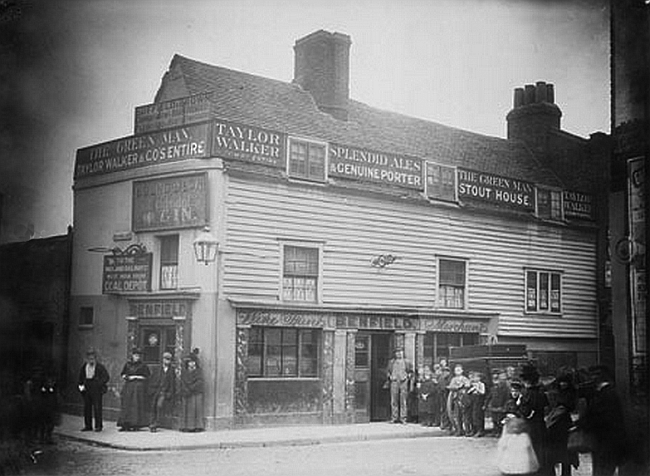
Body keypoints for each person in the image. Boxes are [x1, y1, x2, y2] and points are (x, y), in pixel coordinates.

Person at [574, 365, 627, 476]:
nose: (590, 379)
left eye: (593, 376)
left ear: (600, 377)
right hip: (606, 439)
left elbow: (600, 416)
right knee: (601, 469)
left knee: (603, 469)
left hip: (607, 440)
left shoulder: (607, 394)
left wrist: (582, 424)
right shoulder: (606, 392)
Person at [519, 363, 550, 476]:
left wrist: (519, 405)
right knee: (541, 453)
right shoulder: (541, 393)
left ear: (526, 381)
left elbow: (527, 413)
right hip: (540, 426)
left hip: (531, 427)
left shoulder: (528, 394)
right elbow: (546, 409)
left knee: (532, 452)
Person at [546, 370, 579, 476]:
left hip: (563, 426)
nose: (563, 384)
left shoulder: (571, 393)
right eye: (561, 382)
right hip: (555, 427)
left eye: (565, 382)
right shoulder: (555, 392)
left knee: (566, 456)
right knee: (555, 454)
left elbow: (571, 407)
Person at [78, 348, 110, 432]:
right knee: (87, 408)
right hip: (87, 388)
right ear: (87, 358)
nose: (91, 360)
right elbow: (80, 378)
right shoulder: (84, 366)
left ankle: (98, 426)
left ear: (95, 358)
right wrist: (81, 388)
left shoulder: (100, 367)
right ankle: (88, 426)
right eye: (89, 358)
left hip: (96, 389)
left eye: (93, 358)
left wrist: (99, 383)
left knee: (97, 407)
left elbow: (106, 377)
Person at [118, 348, 150, 431]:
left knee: (136, 405)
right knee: (126, 405)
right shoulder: (128, 364)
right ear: (132, 356)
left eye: (138, 356)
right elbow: (122, 374)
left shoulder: (143, 365)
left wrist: (136, 377)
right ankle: (125, 424)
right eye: (136, 356)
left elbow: (147, 376)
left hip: (138, 387)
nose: (137, 357)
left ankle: (136, 424)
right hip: (128, 386)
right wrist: (126, 377)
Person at [149, 351, 176, 432]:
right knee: (153, 407)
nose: (167, 361)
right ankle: (151, 423)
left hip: (164, 392)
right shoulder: (157, 368)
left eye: (169, 360)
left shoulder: (171, 370)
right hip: (156, 391)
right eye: (166, 359)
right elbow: (153, 379)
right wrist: (152, 389)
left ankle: (155, 424)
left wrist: (170, 393)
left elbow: (172, 383)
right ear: (163, 359)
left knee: (159, 406)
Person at [179, 349, 204, 432]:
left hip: (195, 393)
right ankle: (185, 426)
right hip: (186, 393)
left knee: (195, 410)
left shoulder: (198, 371)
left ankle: (197, 426)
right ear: (187, 363)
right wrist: (186, 389)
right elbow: (182, 381)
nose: (192, 364)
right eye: (190, 362)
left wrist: (191, 388)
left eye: (193, 362)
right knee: (186, 410)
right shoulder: (184, 371)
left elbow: (199, 381)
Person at [387, 348, 412, 423]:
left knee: (403, 400)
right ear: (395, 354)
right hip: (394, 382)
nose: (399, 354)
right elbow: (388, 371)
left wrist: (407, 376)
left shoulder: (407, 362)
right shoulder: (391, 362)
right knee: (394, 400)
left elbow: (411, 371)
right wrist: (390, 376)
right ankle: (394, 418)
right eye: (397, 353)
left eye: (400, 352)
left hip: (403, 382)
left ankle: (403, 418)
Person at [447, 364, 471, 436]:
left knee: (465, 416)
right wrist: (456, 386)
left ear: (462, 371)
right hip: (456, 399)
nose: (458, 371)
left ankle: (467, 430)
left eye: (459, 370)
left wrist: (463, 385)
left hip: (464, 398)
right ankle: (459, 430)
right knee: (458, 415)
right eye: (456, 370)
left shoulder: (465, 379)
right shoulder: (453, 379)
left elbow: (468, 385)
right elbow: (450, 386)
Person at [487, 369, 511, 437]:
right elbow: (490, 396)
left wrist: (504, 406)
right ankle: (495, 431)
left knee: (500, 419)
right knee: (494, 419)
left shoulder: (506, 388)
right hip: (494, 405)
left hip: (501, 405)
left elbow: (507, 397)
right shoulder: (493, 388)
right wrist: (488, 404)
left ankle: (500, 432)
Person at [467, 371, 486, 437]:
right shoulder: (473, 384)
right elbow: (468, 392)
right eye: (474, 377)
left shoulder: (481, 384)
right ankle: (474, 430)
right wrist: (472, 388)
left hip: (479, 401)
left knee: (478, 416)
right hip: (473, 401)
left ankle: (480, 430)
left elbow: (483, 392)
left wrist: (477, 388)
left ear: (480, 378)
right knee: (472, 415)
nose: (475, 379)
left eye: (476, 377)